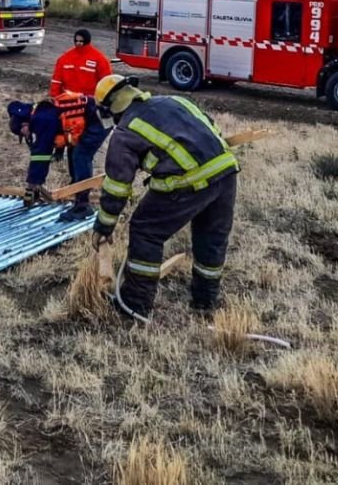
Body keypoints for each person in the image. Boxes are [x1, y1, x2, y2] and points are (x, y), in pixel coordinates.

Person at [91, 75, 238, 320]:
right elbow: (211, 127)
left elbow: (117, 186)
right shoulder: (176, 101)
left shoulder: (126, 131)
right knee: (211, 238)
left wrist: (104, 225)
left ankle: (135, 306)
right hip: (226, 172)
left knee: (145, 230)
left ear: (109, 109)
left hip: (189, 183)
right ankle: (205, 301)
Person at [7, 90, 109, 221]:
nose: (26, 136)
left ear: (24, 124)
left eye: (23, 134)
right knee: (75, 151)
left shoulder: (40, 120)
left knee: (80, 155)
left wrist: (32, 184)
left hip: (98, 118)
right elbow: (60, 129)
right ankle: (76, 193)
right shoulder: (39, 112)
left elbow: (41, 154)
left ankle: (83, 206)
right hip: (94, 115)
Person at [49, 28, 112, 97]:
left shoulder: (99, 59)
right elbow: (56, 80)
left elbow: (106, 82)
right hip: (68, 99)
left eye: (81, 41)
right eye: (76, 41)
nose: (78, 43)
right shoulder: (64, 58)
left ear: (87, 40)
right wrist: (55, 97)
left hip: (89, 101)